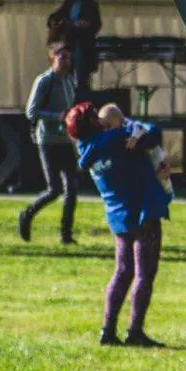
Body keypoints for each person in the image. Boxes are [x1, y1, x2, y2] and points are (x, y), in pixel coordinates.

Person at [67, 101, 171, 347]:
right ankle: (135, 331)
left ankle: (108, 329)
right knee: (145, 273)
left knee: (123, 272)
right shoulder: (115, 139)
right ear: (93, 123)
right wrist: (127, 126)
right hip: (143, 211)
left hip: (118, 217)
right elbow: (153, 133)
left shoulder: (86, 149)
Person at [19, 42, 79, 244]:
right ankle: (27, 214)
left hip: (65, 140)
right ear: (52, 58)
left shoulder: (69, 80)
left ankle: (66, 234)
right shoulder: (45, 80)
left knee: (72, 188)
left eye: (68, 57)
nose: (66, 61)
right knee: (54, 189)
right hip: (48, 141)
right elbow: (31, 111)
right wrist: (56, 116)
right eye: (62, 57)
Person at [99, 103, 173, 198]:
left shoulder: (129, 128)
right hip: (139, 183)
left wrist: (135, 137)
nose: (105, 130)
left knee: (163, 180)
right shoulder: (111, 137)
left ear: (121, 121)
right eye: (103, 127)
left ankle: (167, 192)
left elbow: (147, 129)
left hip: (155, 165)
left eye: (108, 126)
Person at [47, 0, 102, 93]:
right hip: (69, 42)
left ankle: (82, 89)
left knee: (81, 69)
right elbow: (54, 17)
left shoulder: (91, 4)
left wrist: (85, 25)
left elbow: (96, 24)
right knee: (67, 68)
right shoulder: (69, 3)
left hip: (83, 43)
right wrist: (55, 21)